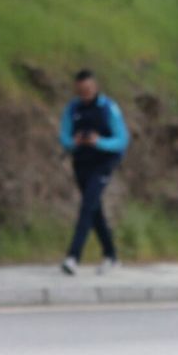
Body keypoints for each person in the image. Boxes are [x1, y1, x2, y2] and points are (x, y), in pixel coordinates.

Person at [58, 68, 129, 275]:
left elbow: (122, 140)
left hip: (104, 162)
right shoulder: (72, 109)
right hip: (82, 162)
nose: (85, 93)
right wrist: (74, 141)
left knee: (87, 205)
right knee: (94, 209)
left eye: (88, 89)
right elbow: (63, 137)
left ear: (95, 86)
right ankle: (111, 256)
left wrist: (99, 142)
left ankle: (73, 257)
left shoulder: (109, 107)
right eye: (81, 90)